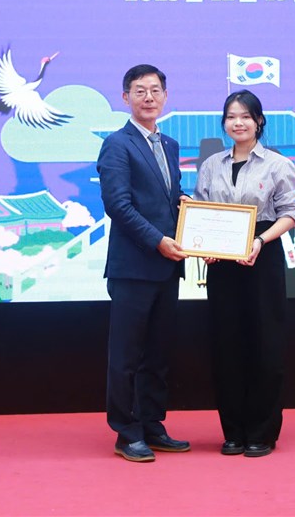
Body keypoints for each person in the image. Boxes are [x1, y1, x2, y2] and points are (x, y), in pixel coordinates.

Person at [194, 89, 295, 458]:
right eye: (231, 117)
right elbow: (202, 211)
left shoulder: (277, 164)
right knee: (226, 345)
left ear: (259, 121)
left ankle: (262, 431)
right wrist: (204, 246)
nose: (237, 123)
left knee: (264, 343)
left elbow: (290, 214)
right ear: (224, 123)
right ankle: (233, 431)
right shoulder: (211, 165)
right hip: (222, 264)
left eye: (245, 116)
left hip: (261, 256)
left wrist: (260, 241)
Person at [97, 64, 190, 463]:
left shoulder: (169, 144)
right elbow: (118, 206)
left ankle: (152, 425)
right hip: (134, 267)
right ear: (126, 98)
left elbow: (169, 198)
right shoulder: (117, 145)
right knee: (127, 356)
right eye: (140, 90)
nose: (148, 97)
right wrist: (157, 241)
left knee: (158, 353)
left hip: (167, 268)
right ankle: (126, 431)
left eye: (155, 90)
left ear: (165, 96)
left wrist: (187, 209)